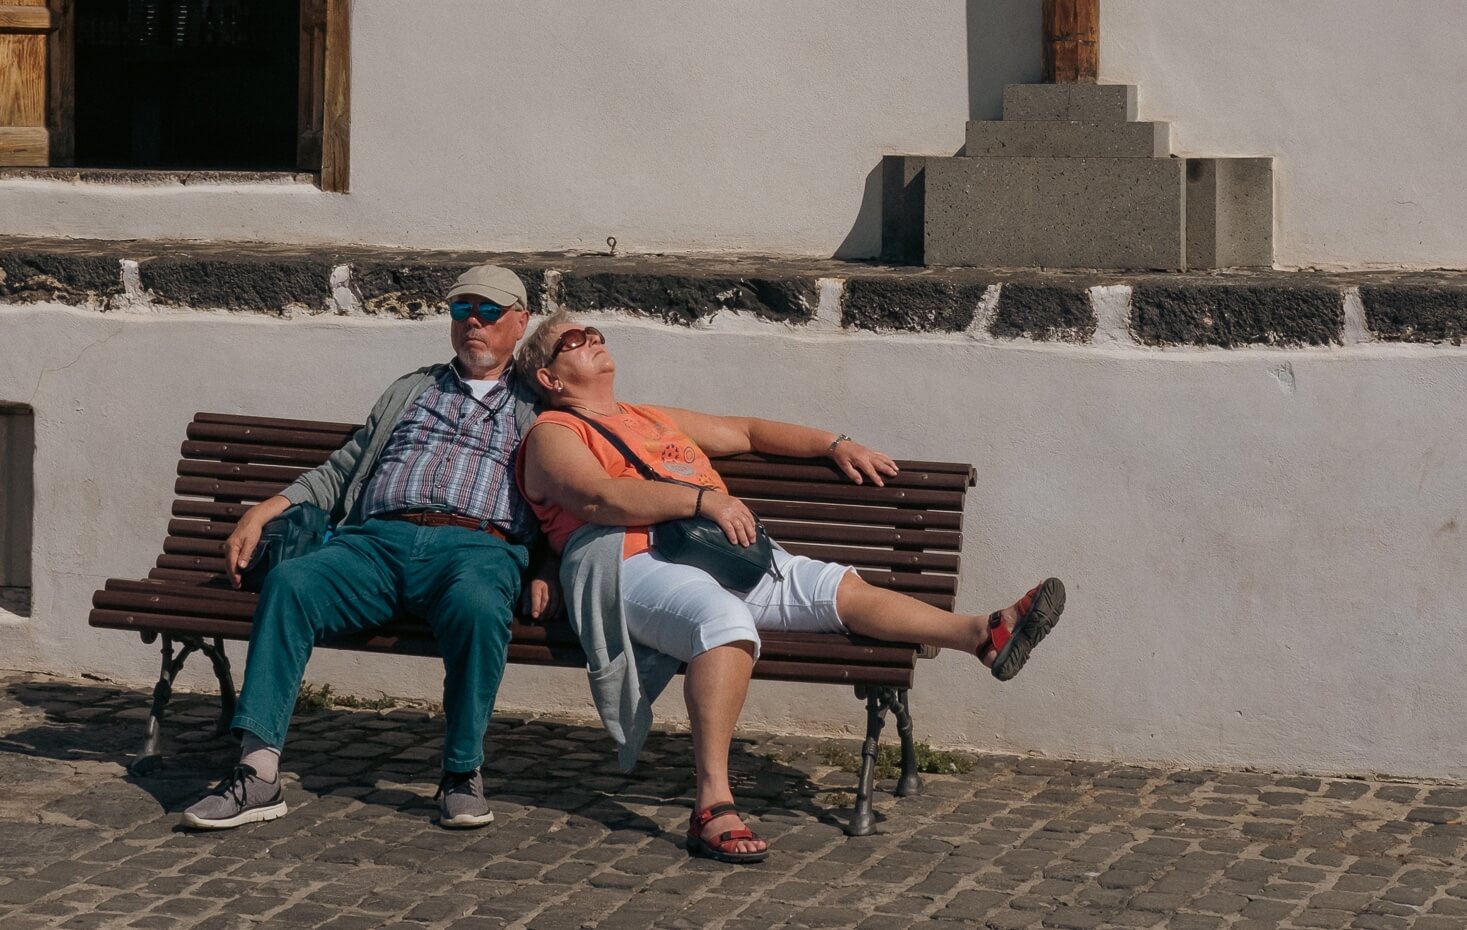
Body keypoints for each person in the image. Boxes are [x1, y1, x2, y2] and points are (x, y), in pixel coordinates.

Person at [514, 311, 1065, 864]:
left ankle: (981, 634)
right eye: (574, 341)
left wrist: (834, 443)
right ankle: (712, 803)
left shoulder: (648, 416)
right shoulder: (554, 433)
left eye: (597, 334)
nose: (595, 341)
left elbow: (748, 432)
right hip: (633, 561)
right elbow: (595, 498)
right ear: (549, 378)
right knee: (724, 624)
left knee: (837, 588)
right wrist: (705, 501)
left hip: (718, 550)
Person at [181, 264, 556, 831]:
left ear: (520, 322)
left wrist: (547, 566)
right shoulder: (412, 389)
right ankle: (258, 774)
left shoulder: (539, 406)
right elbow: (342, 470)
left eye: (488, 311)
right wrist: (262, 510)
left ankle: (461, 773)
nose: (472, 322)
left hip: (477, 547)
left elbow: (574, 494)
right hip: (375, 543)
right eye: (461, 310)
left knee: (480, 609)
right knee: (291, 584)